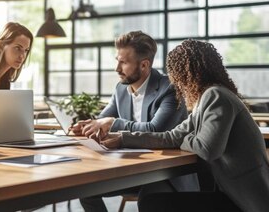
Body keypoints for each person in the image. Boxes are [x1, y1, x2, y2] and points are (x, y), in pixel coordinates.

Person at [99, 40, 269, 212]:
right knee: (153, 198)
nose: (176, 83)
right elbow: (170, 136)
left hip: (246, 201)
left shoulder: (216, 96)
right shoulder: (206, 98)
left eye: (177, 75)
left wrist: (186, 139)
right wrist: (124, 138)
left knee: (153, 202)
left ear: (188, 73)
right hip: (234, 193)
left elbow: (208, 149)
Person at [70, 31, 196, 211]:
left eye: (124, 62)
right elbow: (102, 119)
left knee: (149, 197)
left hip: (165, 174)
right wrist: (86, 126)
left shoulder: (170, 88)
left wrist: (112, 123)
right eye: (117, 60)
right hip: (131, 168)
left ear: (144, 65)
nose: (117, 68)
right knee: (85, 189)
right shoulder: (121, 89)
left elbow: (156, 129)